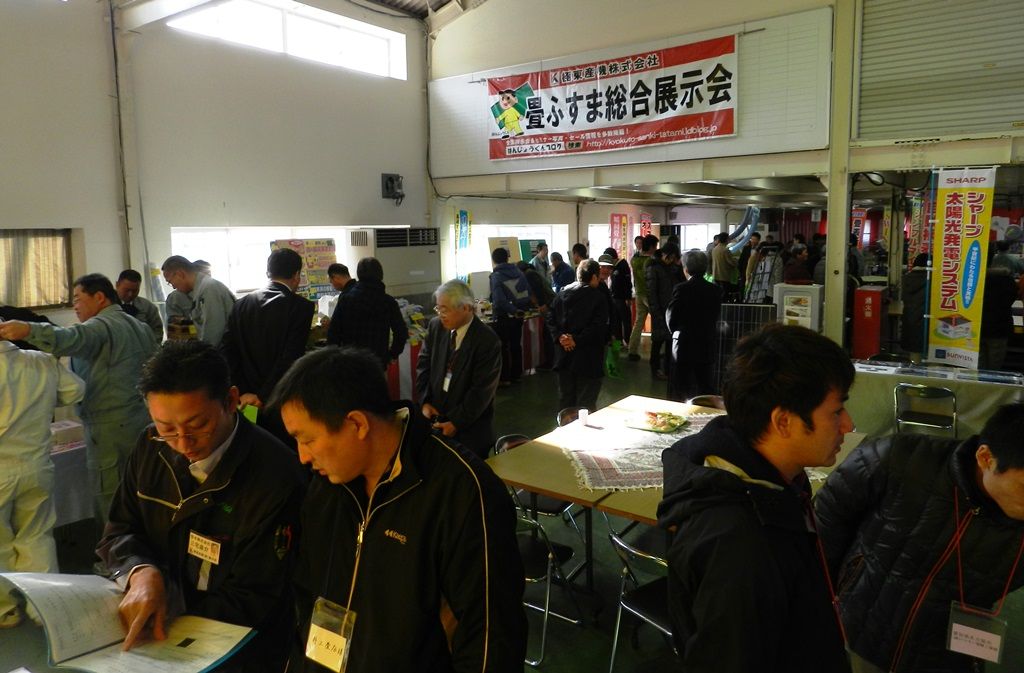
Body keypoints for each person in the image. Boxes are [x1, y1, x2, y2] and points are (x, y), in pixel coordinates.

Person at [271, 347, 527, 673]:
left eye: (307, 440)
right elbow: (308, 592)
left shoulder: (462, 491)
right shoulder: (329, 484)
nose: (303, 457)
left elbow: (491, 638)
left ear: (357, 424)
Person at [96, 340, 305, 670]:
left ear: (231, 401)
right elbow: (120, 530)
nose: (182, 443)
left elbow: (255, 595)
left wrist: (167, 611)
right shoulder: (151, 447)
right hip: (158, 633)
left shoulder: (275, 475)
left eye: (198, 425)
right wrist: (141, 571)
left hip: (233, 649)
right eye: (167, 428)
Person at [658, 323, 854, 673]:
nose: (848, 425)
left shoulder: (775, 477)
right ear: (783, 422)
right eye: (836, 411)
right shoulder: (741, 549)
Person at [814, 403, 1024, 673]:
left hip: (943, 656)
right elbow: (828, 518)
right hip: (858, 630)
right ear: (986, 458)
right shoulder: (899, 459)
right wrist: (822, 598)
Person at [0, 274, 157, 527]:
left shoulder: (101, 326)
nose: (75, 306)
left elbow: (69, 339)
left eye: (78, 299)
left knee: (111, 500)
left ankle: (112, 551)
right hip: (141, 420)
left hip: (109, 428)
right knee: (142, 493)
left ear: (100, 297)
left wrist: (28, 330)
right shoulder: (140, 327)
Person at [0, 334, 85, 628]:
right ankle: (44, 607)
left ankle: (6, 610)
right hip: (37, 465)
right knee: (37, 535)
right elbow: (75, 391)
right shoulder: (41, 360)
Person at [221, 248, 315, 448]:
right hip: (281, 399)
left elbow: (227, 351)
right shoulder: (301, 307)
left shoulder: (241, 304)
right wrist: (264, 396)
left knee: (253, 449)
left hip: (245, 401)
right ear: (297, 275)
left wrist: (243, 391)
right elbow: (290, 358)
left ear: (268, 273)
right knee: (284, 451)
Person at [416, 280, 502, 460]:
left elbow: (481, 391)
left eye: (445, 309)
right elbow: (423, 365)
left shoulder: (487, 340)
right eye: (438, 309)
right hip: (435, 418)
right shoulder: (436, 327)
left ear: (466, 308)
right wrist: (425, 401)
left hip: (469, 428)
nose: (441, 315)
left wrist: (455, 422)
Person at [326, 256, 407, 370]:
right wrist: (392, 354)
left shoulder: (346, 298)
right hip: (377, 363)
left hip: (350, 363)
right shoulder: (388, 302)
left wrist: (336, 359)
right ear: (380, 274)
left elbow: (333, 333)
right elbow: (401, 332)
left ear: (359, 274)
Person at [550, 259, 609, 411]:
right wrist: (576, 340)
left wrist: (560, 337)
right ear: (594, 277)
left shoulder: (561, 295)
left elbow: (551, 320)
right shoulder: (598, 298)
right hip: (588, 358)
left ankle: (565, 424)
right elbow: (597, 327)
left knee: (566, 401)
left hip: (564, 358)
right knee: (585, 404)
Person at [666, 250, 723, 401]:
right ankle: (706, 413)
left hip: (684, 343)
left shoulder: (681, 288)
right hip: (706, 342)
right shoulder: (716, 290)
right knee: (705, 385)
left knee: (681, 385)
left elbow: (671, 316)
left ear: (686, 269)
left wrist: (676, 331)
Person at [161, 255, 236, 346]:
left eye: (170, 281)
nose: (173, 286)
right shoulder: (200, 291)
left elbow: (213, 334)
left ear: (180, 274)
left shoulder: (209, 289)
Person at [489, 247, 532, 385]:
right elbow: (527, 293)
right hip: (519, 315)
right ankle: (517, 374)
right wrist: (518, 310)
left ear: (493, 260)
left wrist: (512, 310)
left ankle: (504, 378)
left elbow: (498, 300)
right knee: (515, 345)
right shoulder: (519, 273)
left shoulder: (496, 276)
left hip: (503, 316)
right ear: (507, 258)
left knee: (503, 347)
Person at [646, 242, 682, 380]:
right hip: (659, 311)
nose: (672, 260)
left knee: (669, 342)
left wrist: (678, 266)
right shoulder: (653, 267)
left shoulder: (671, 267)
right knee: (657, 342)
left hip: (671, 310)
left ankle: (667, 370)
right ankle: (655, 371)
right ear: (665, 254)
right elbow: (651, 294)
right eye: (671, 257)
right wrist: (656, 313)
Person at [979, 264, 1018, 370]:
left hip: (979, 327)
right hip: (1000, 328)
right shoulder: (1008, 281)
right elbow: (1011, 298)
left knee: (979, 364)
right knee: (995, 364)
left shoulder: (978, 278)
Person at [627, 234, 658, 361]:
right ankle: (657, 351)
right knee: (658, 322)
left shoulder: (634, 259)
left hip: (639, 293)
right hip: (650, 295)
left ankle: (632, 350)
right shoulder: (650, 261)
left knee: (638, 322)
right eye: (655, 246)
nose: (656, 249)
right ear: (650, 247)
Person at [115, 269, 163, 342]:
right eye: (126, 290)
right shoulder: (106, 306)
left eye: (135, 291)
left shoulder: (148, 307)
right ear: (117, 285)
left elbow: (157, 332)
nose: (130, 294)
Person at [900, 253, 930, 358]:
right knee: (930, 361)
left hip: (909, 322)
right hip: (926, 326)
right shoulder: (931, 280)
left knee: (913, 359)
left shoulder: (906, 278)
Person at [606, 247, 633, 345]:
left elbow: (628, 283)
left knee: (626, 321)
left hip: (622, 298)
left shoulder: (623, 265)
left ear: (613, 258)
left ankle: (628, 342)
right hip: (614, 298)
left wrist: (628, 298)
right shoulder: (613, 267)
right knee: (616, 322)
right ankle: (618, 344)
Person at [711, 233, 738, 299]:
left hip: (715, 275)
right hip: (723, 275)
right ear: (726, 239)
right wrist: (736, 261)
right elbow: (731, 262)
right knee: (725, 295)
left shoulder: (714, 249)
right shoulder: (725, 250)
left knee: (718, 294)